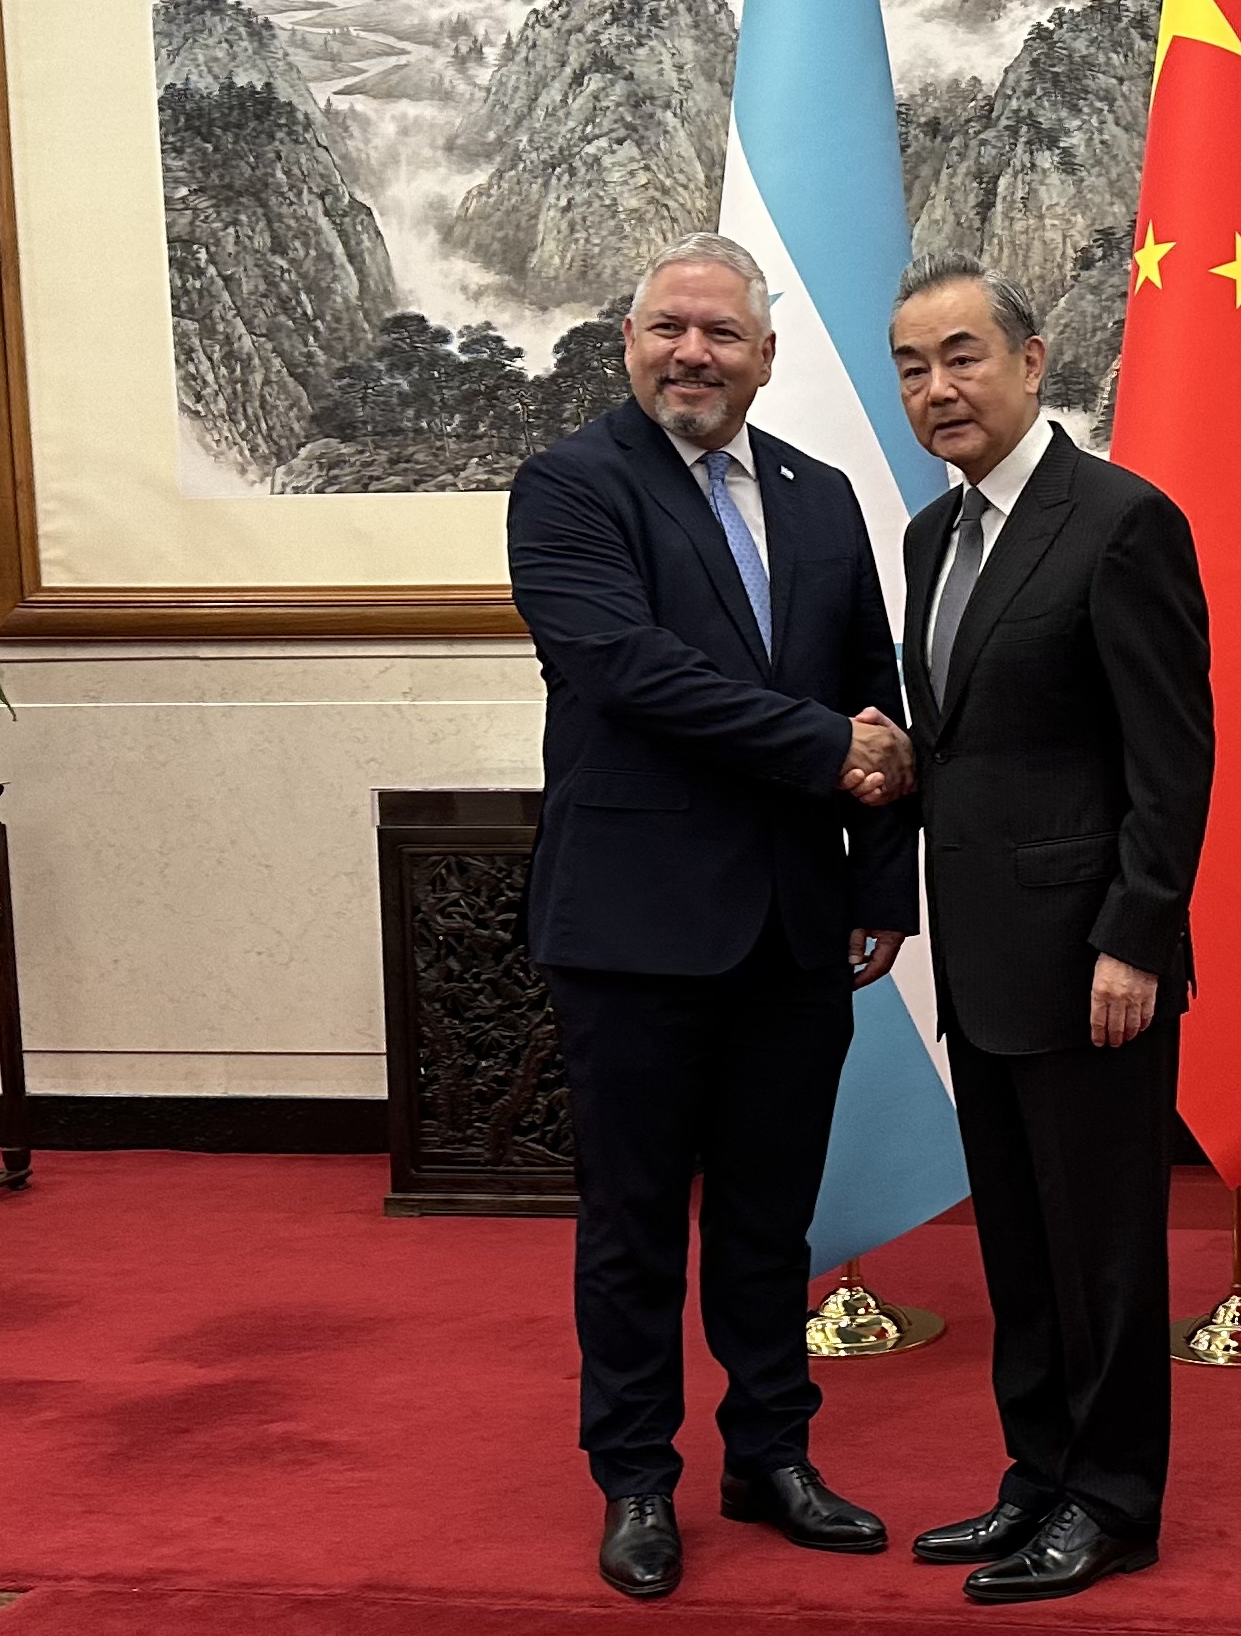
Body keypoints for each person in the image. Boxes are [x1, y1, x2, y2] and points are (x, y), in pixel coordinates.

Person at [505, 231, 919, 1602]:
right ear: (627, 341)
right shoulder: (569, 486)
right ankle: (635, 1478)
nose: (693, 352)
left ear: (766, 356)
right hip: (632, 927)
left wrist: (879, 875)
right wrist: (826, 753)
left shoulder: (817, 495)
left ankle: (770, 1454)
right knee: (632, 1223)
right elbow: (630, 673)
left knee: (768, 1215)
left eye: (721, 333)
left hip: (796, 926)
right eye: (668, 328)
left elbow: (880, 696)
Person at [883, 257, 1212, 1606]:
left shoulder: (1122, 521)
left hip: (1094, 968)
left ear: (1032, 358)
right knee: (1019, 1247)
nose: (937, 388)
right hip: (980, 960)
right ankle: (1039, 1478)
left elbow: (1172, 757)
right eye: (911, 365)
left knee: (1107, 1247)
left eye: (962, 355)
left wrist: (1136, 933)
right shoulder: (927, 538)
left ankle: (1116, 1502)